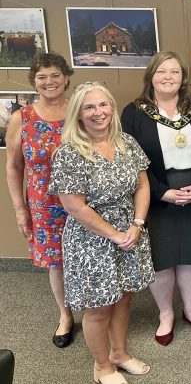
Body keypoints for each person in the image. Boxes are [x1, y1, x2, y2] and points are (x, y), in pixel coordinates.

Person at [49, 82, 155, 384]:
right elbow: (75, 207)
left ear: (112, 107)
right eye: (90, 107)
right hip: (90, 240)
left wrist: (136, 224)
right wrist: (114, 234)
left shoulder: (126, 142)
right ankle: (102, 367)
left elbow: (143, 185)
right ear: (79, 114)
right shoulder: (69, 152)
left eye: (103, 105)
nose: (99, 112)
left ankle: (119, 354)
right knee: (98, 307)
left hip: (130, 231)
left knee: (123, 299)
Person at [121, 51, 191, 346]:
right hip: (154, 193)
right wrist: (161, 191)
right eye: (161, 71)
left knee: (189, 254)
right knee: (161, 258)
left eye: (174, 72)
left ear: (183, 78)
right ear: (151, 76)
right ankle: (165, 314)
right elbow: (130, 160)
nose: (168, 77)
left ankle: (190, 308)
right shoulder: (134, 112)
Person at [4, 53, 74, 348]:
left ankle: (97, 311)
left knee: (89, 258)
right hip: (44, 206)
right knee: (57, 263)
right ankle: (66, 316)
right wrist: (20, 210)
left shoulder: (80, 110)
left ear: (66, 78)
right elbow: (14, 166)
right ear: (34, 81)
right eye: (42, 77)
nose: (49, 82)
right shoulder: (23, 118)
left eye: (55, 75)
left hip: (85, 200)